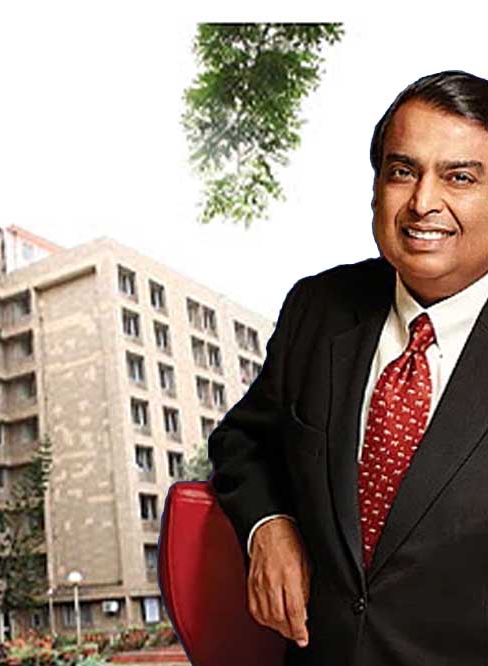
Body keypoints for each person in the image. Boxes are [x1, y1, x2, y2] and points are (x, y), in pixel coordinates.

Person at [208, 70, 488, 666]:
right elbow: (243, 441)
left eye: (460, 177)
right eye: (402, 171)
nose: (422, 202)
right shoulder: (319, 308)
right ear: (376, 190)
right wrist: (268, 522)